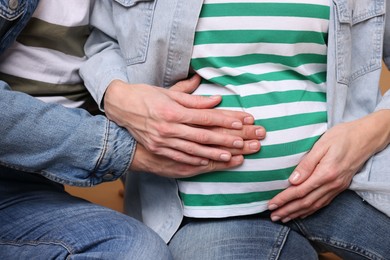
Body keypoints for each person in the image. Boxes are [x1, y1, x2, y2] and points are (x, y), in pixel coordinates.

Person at [81, 0, 390, 259]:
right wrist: (116, 94)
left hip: (354, 183)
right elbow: (99, 43)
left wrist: (374, 130)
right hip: (206, 210)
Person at [0, 0, 261, 258]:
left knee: (136, 251)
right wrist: (127, 149)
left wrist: (118, 92)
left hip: (36, 187)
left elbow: (109, 43)